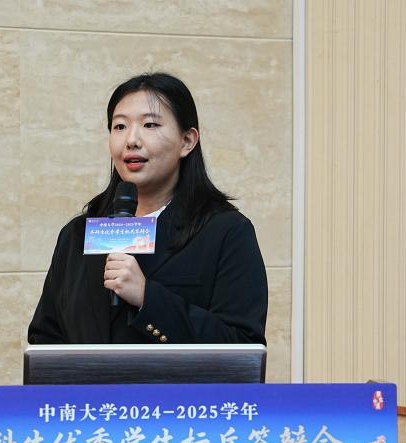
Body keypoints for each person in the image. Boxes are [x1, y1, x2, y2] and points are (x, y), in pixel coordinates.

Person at [27, 72, 267, 345]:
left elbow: (243, 347)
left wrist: (147, 298)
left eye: (150, 125)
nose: (131, 140)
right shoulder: (77, 234)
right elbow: (44, 339)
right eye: (119, 126)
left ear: (187, 141)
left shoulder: (226, 232)